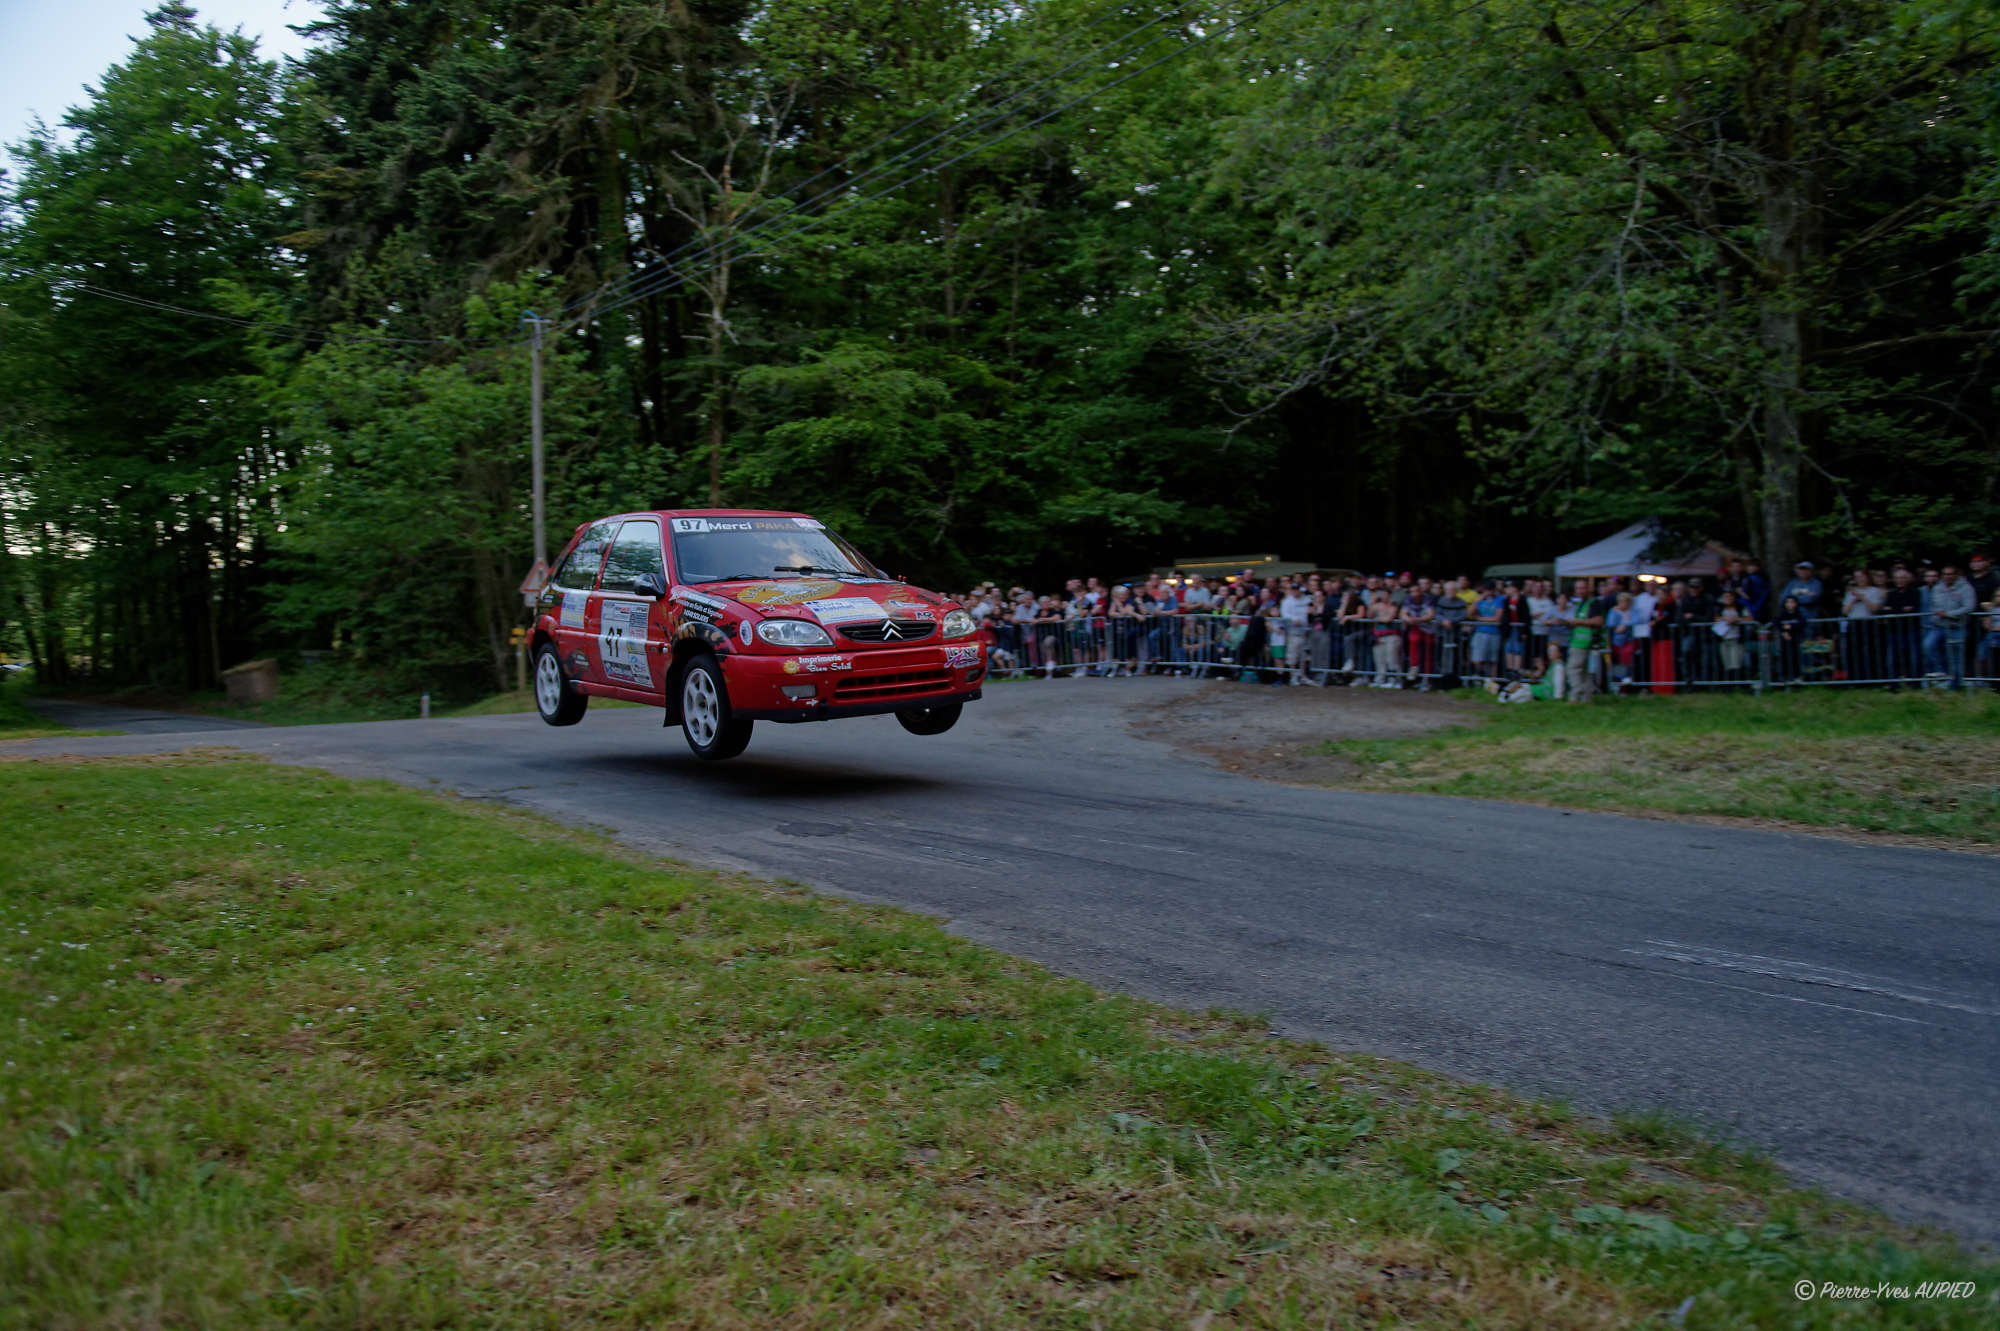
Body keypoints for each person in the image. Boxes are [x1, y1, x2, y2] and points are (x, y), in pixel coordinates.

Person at [1926, 564, 1976, 690]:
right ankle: (1941, 672)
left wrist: (1949, 614)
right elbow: (1933, 605)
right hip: (1939, 626)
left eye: (1950, 574)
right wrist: (1939, 614)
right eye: (1945, 574)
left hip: (1957, 627)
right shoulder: (1937, 588)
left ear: (1956, 575)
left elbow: (1968, 607)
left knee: (1955, 656)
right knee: (1928, 645)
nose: (1947, 576)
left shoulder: (1966, 588)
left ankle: (1955, 685)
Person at [1564, 578, 1607, 702]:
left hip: (1584, 642)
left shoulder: (1594, 603)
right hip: (1579, 641)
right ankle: (1587, 698)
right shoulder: (1580, 604)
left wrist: (1578, 622)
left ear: (1589, 589)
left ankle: (1575, 696)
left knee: (1573, 669)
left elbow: (1598, 621)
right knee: (1583, 672)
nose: (1580, 591)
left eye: (1582, 588)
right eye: (1578, 588)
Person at [1880, 565, 1922, 685]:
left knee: (1914, 658)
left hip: (1911, 631)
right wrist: (1902, 609)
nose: (1900, 580)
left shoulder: (1915, 592)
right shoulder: (1891, 593)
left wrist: (1893, 609)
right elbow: (1884, 610)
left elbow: (1914, 609)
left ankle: (1915, 683)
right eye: (1897, 578)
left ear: (1908, 579)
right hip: (1894, 631)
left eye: (1903, 578)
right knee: (1891, 660)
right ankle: (1893, 684)